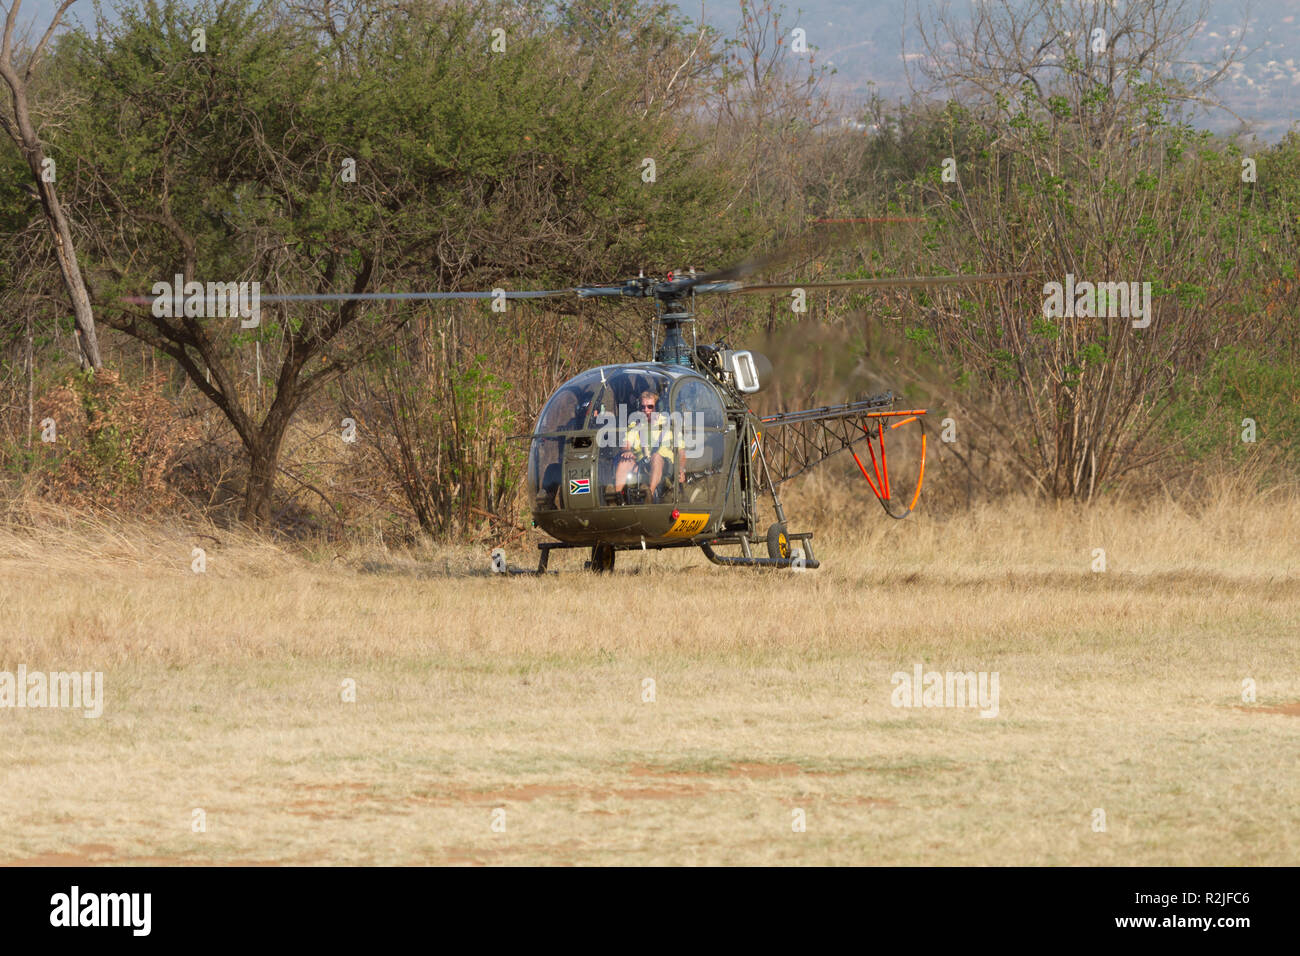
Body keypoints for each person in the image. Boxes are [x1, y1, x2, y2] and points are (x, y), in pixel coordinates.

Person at [614, 389, 684, 501]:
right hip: (641, 464)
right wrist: (626, 451)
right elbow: (626, 443)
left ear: (658, 408)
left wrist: (680, 468)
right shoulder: (635, 425)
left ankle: (649, 495)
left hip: (664, 465)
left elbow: (681, 451)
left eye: (650, 407)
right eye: (643, 407)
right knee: (624, 460)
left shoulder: (669, 425)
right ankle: (616, 497)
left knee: (656, 456)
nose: (646, 410)